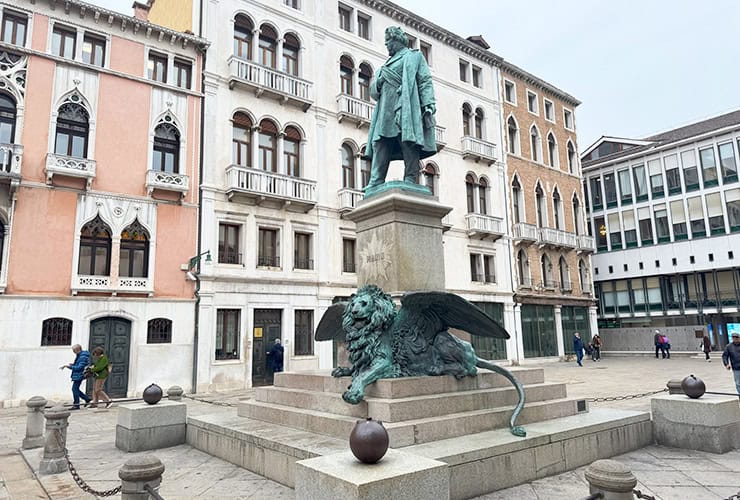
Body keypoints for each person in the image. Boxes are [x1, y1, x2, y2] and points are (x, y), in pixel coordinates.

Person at [364, 26, 437, 191]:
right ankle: (376, 180)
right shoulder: (384, 66)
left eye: (388, 42)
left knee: (407, 141)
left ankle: (411, 177)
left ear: (396, 40)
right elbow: (374, 92)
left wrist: (428, 104)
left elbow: (425, 80)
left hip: (406, 106)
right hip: (385, 110)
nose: (387, 46)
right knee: (381, 143)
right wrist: (379, 82)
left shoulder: (414, 56)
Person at [60, 344, 91, 410]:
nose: (74, 352)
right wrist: (72, 365)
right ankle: (87, 399)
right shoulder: (80, 355)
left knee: (74, 389)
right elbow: (78, 365)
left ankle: (77, 404)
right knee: (75, 389)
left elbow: (79, 367)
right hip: (77, 375)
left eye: (74, 351)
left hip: (79, 375)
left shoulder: (82, 357)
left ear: (77, 350)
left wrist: (70, 367)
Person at [722, 332, 740, 397]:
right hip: (736, 367)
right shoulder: (729, 347)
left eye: (737, 338)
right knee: (738, 383)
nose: (735, 339)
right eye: (734, 338)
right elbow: (725, 356)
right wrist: (726, 364)